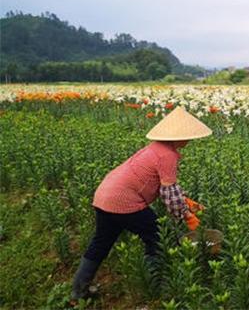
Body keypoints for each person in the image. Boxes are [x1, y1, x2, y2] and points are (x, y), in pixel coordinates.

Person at [71, 106, 212, 301]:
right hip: (125, 203)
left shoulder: (155, 148)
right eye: (189, 136)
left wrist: (186, 201)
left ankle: (78, 292)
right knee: (159, 238)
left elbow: (166, 188)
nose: (190, 141)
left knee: (101, 243)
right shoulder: (167, 156)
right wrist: (187, 215)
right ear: (179, 137)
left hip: (105, 196)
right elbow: (169, 193)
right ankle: (153, 286)